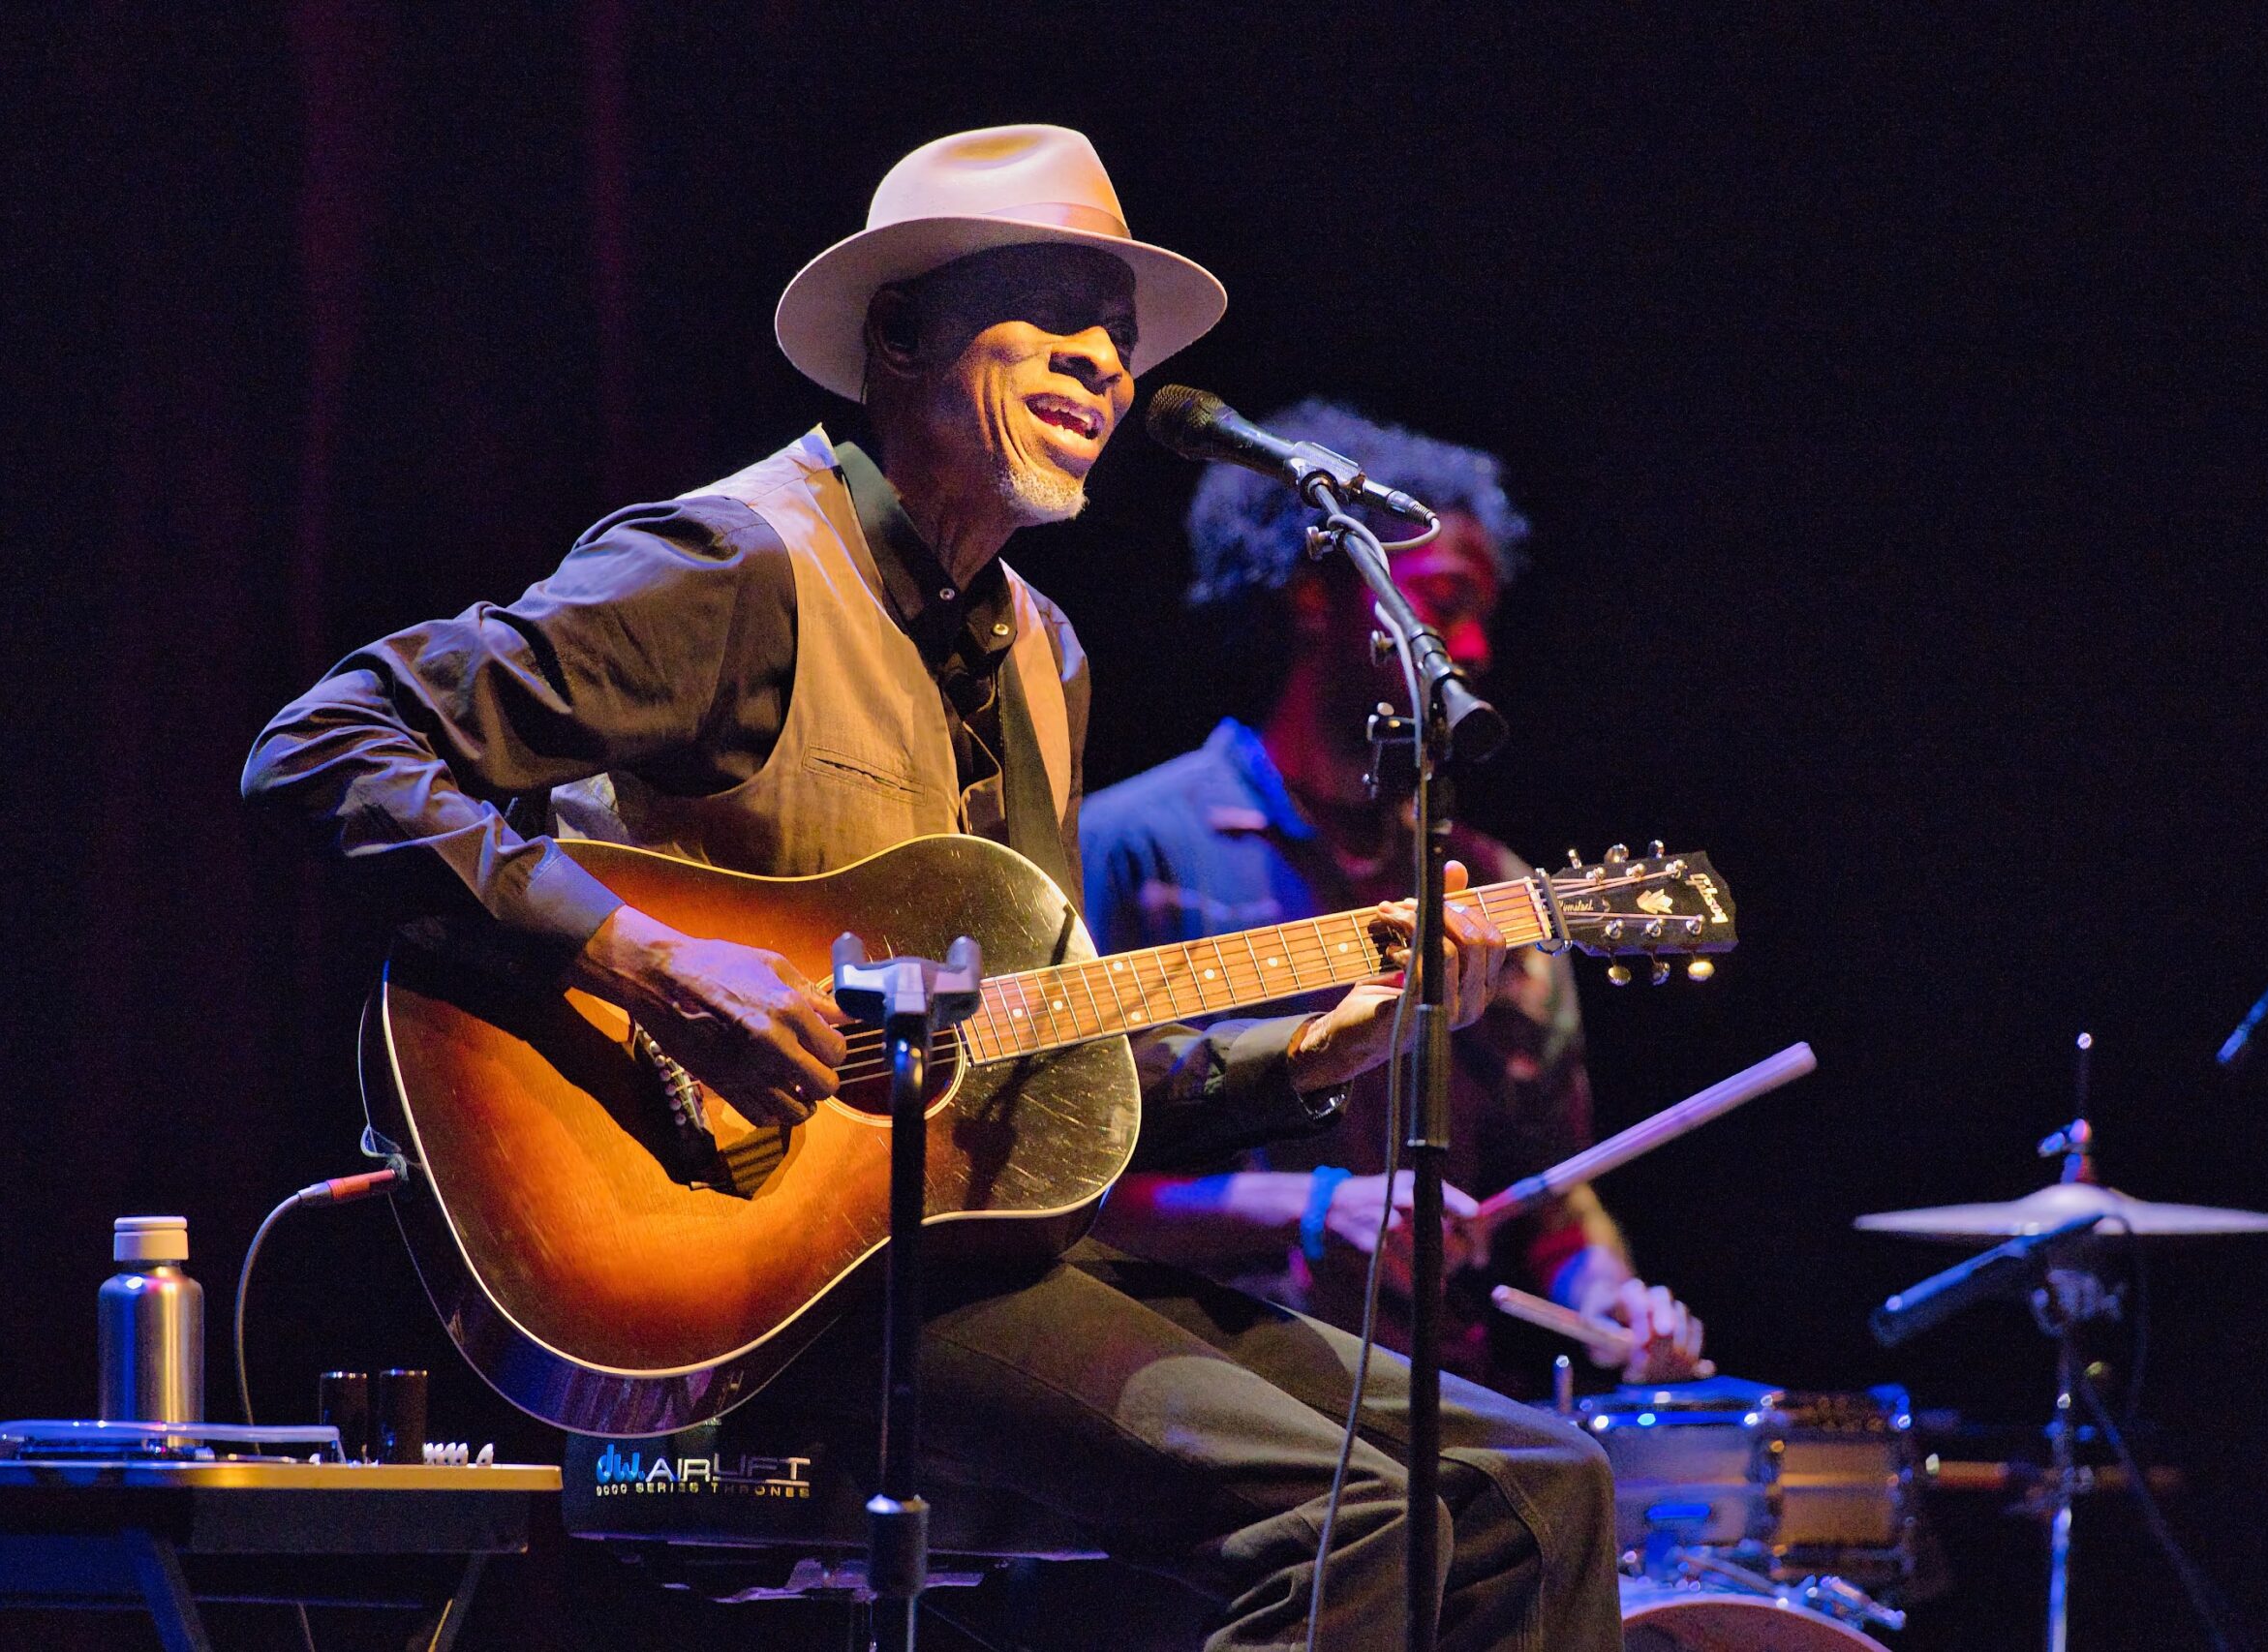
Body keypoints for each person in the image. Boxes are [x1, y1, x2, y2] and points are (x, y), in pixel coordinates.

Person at [242, 128, 1619, 1650]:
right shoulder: (734, 566)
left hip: (973, 1246)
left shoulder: (1048, 654)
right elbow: (324, 745)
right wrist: (650, 962)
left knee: (1544, 1486)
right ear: (900, 335)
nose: (1107, 365)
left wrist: (1306, 1051)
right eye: (1058, 315)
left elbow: (1039, 1057)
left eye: (1123, 338)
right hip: (756, 1258)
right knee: (1356, 1514)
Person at [1081, 402, 1708, 1395]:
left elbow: (1552, 1196)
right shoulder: (1131, 844)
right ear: (1314, 595)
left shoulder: (1491, 886)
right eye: (1443, 604)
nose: (1474, 646)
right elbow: (1054, 1181)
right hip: (1190, 1376)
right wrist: (1307, 1206)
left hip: (1434, 1390)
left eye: (1482, 613)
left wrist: (1609, 1297)